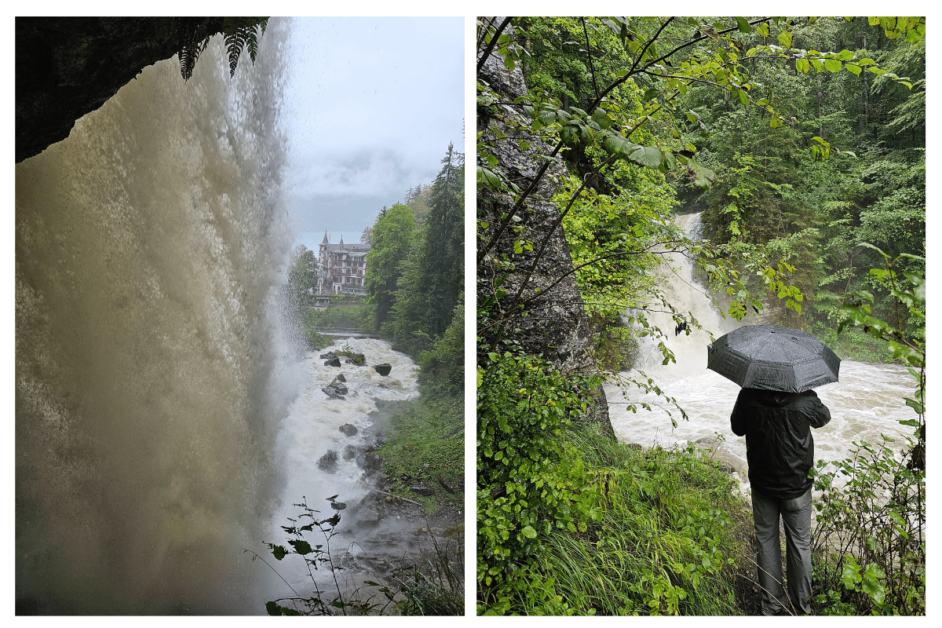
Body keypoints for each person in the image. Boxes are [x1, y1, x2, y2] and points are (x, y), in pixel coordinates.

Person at [731, 387, 831, 616]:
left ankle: (772, 606)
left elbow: (737, 428)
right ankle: (802, 608)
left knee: (766, 540)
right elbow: (823, 418)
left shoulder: (748, 394)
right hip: (797, 486)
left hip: (762, 483)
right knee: (799, 544)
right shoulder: (806, 397)